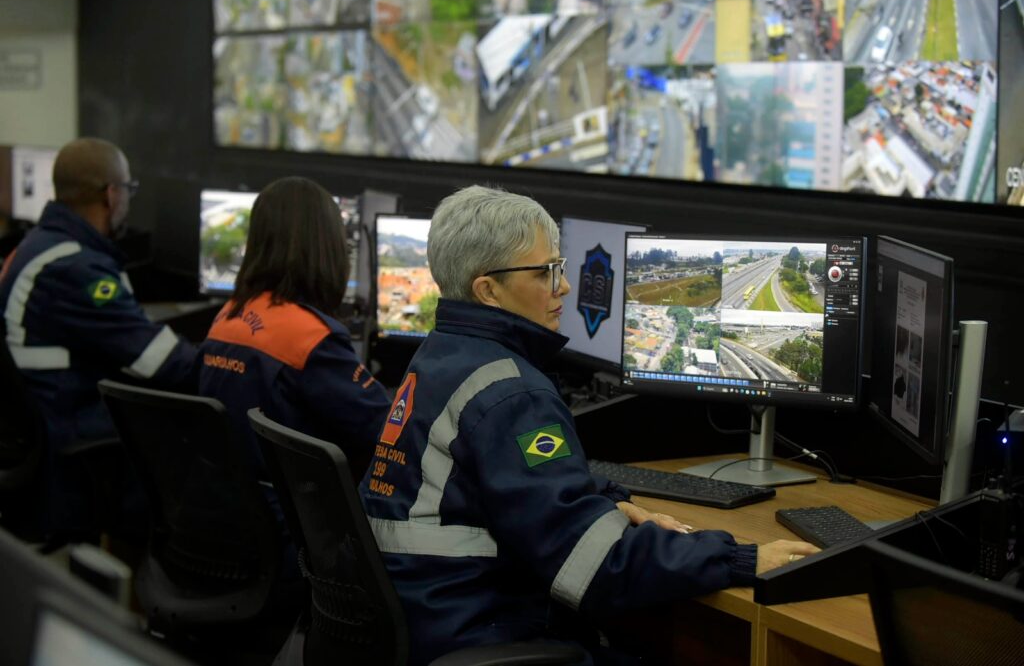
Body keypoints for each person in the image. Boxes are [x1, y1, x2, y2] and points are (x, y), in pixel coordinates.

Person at [359, 186, 817, 665]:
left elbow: (508, 485)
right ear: (487, 290)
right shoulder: (511, 394)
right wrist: (740, 559)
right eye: (546, 272)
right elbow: (597, 567)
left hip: (430, 615)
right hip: (481, 632)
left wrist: (608, 502)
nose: (565, 287)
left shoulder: (440, 357)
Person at [0, 137, 197, 539]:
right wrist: (229, 359)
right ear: (111, 195)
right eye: (128, 189)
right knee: (179, 437)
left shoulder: (37, 247)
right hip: (62, 439)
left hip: (33, 426)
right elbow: (160, 363)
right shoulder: (75, 269)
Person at [198, 176, 390, 507]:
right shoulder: (310, 337)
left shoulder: (227, 317)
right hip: (293, 529)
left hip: (225, 512)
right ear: (327, 247)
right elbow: (384, 430)